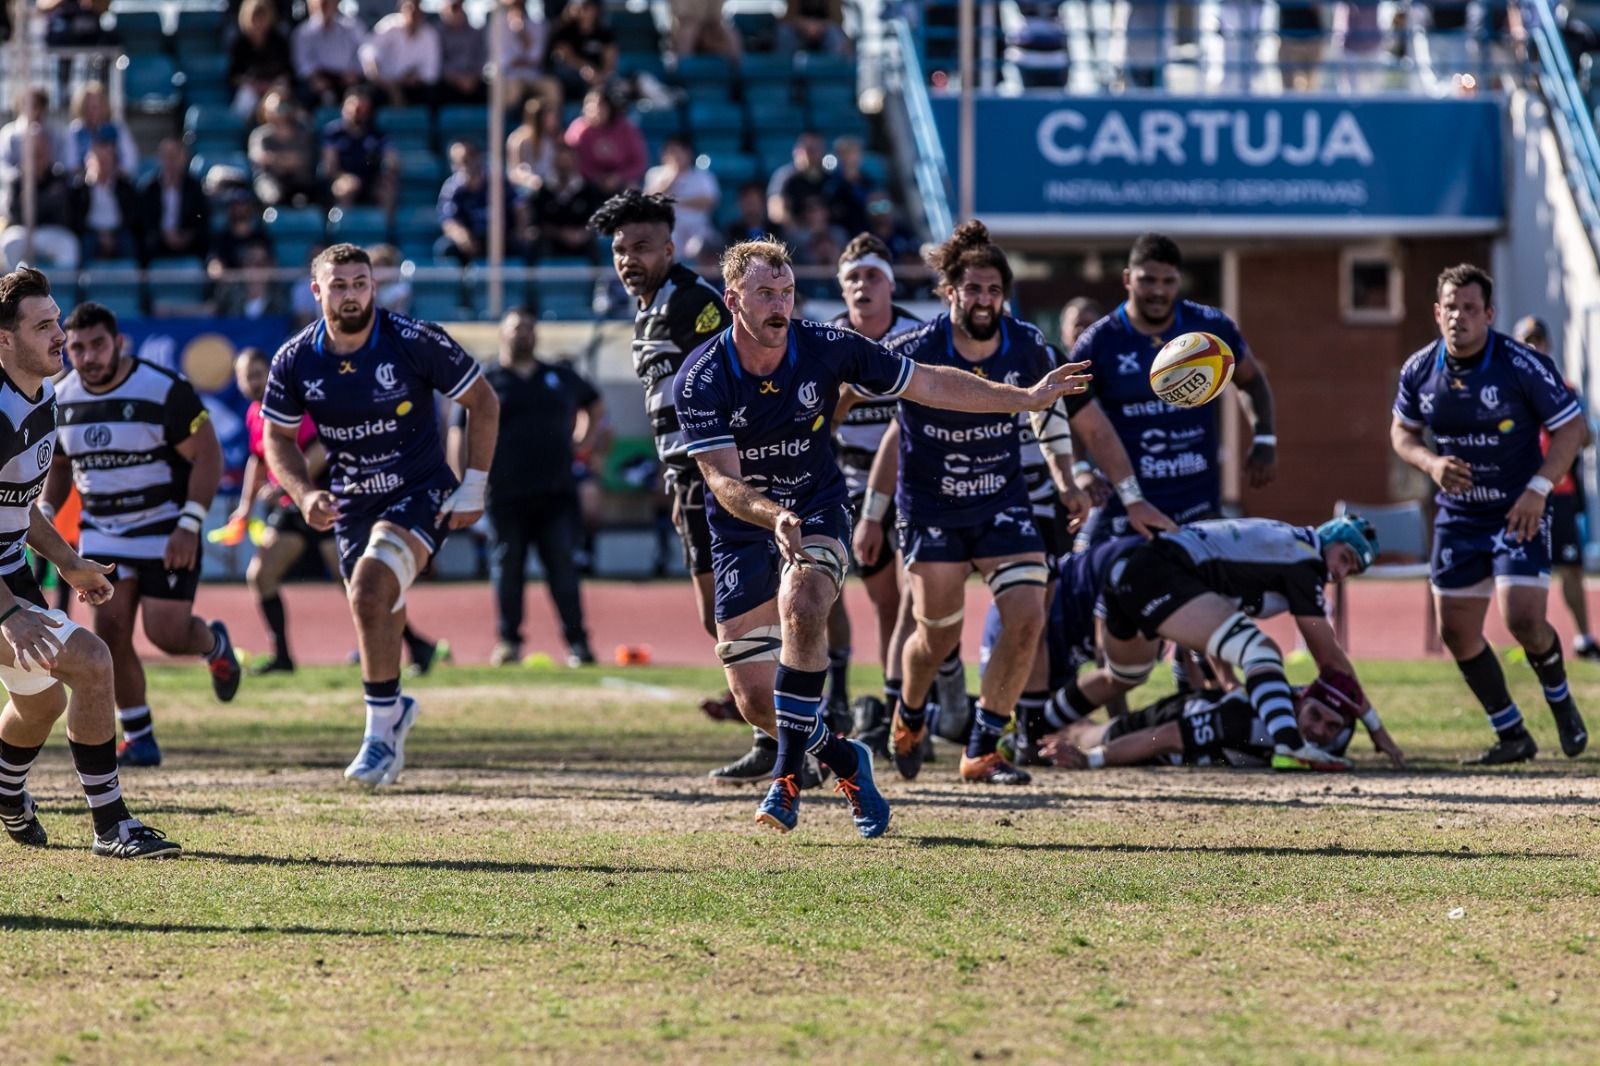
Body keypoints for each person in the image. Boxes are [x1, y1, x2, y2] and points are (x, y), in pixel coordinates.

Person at [672, 237, 1089, 832]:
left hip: (816, 506)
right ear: (733, 298)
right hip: (744, 526)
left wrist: (1021, 398)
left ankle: (786, 779)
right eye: (766, 293)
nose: (780, 306)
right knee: (756, 701)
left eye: (787, 293)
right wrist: (773, 517)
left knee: (805, 599)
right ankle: (845, 756)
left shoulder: (827, 347)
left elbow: (935, 384)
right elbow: (720, 481)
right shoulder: (701, 378)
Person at [871, 221, 1163, 786]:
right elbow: (869, 421)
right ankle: (908, 712)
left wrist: (1097, 487)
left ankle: (983, 748)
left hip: (1002, 503)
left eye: (993, 290)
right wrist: (866, 511)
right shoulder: (913, 350)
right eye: (972, 289)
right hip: (933, 509)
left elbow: (1083, 424)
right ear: (950, 292)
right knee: (937, 637)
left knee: (1027, 615)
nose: (983, 300)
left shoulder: (1027, 345)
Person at [262, 243, 499, 786]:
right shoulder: (295, 358)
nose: (351, 294)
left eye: (360, 283)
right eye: (339, 285)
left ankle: (376, 735)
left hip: (419, 490)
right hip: (350, 500)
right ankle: (394, 716)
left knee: (370, 589)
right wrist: (301, 493)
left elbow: (483, 401)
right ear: (316, 291)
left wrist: (474, 486)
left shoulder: (414, 340)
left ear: (375, 286)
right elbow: (277, 436)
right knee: (376, 606)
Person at [0, 266, 181, 858]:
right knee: (93, 659)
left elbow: (19, 507)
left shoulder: (45, 396)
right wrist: (8, 612)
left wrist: (72, 563)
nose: (60, 335)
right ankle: (112, 827)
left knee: (43, 703)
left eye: (58, 320)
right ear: (4, 339)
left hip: (8, 569)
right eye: (44, 325)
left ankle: (5, 792)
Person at [588, 191, 766, 773]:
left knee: (738, 607)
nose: (628, 259)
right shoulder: (650, 308)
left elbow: (727, 385)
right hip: (689, 477)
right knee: (719, 611)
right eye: (620, 249)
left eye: (641, 247)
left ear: (669, 247)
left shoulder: (692, 303)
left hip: (718, 475)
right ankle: (776, 728)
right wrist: (675, 480)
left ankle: (788, 735)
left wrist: (723, 476)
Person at [1392, 265, 1589, 764]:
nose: (1460, 317)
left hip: (1517, 510)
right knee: (1455, 630)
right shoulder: (1419, 369)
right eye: (1451, 308)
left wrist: (1538, 489)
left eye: (1471, 309)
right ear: (1437, 313)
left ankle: (1561, 699)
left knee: (1522, 616)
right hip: (1458, 517)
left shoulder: (1521, 364)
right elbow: (1402, 433)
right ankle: (1511, 733)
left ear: (1489, 314)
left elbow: (1573, 430)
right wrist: (1431, 463)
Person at [45, 302, 243, 768]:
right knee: (110, 631)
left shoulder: (163, 388)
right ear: (66, 350)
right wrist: (49, 510)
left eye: (98, 344)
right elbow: (59, 464)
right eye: (77, 347)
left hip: (166, 528)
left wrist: (190, 524)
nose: (89, 356)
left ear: (119, 343)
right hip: (102, 533)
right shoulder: (60, 397)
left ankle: (213, 644)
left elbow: (209, 454)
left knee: (167, 633)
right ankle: (140, 735)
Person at [1099, 515, 1385, 771]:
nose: (1340, 573)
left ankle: (1057, 720)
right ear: (1330, 538)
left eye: (1351, 571)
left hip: (1151, 570)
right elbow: (1330, 660)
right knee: (1262, 652)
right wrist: (1375, 726)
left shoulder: (1285, 547)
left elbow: (1217, 608)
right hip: (1159, 570)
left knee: (1124, 677)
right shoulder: (1305, 560)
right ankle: (1290, 745)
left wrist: (1227, 682)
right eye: (1345, 559)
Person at [1073, 233, 1276, 546]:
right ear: (1128, 279)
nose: (1158, 291)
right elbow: (1072, 410)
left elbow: (1251, 379)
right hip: (1127, 499)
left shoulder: (1210, 328)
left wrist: (1264, 436)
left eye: (1168, 281)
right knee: (1087, 582)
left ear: (1179, 281)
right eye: (1148, 280)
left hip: (1196, 499)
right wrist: (1081, 468)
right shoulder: (1099, 341)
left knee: (1204, 590)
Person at [454, 308, 601, 667]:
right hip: (506, 495)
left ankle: (577, 645)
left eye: (529, 328)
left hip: (557, 494)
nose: (524, 333)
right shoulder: (486, 380)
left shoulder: (559, 377)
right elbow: (460, 430)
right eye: (517, 327)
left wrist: (585, 439)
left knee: (563, 570)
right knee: (507, 570)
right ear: (501, 333)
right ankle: (508, 643)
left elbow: (594, 405)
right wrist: (464, 483)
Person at [824, 235, 922, 739]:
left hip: (913, 482)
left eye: (873, 277)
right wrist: (846, 399)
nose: (863, 286)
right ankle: (844, 696)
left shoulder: (916, 336)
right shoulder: (827, 342)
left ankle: (903, 702)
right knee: (850, 590)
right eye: (853, 279)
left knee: (906, 597)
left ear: (891, 283)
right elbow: (816, 428)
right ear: (843, 291)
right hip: (849, 481)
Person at [227, 347, 339, 673]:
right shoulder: (253, 413)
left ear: (270, 374)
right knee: (261, 575)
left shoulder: (293, 404)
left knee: (358, 584)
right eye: (244, 376)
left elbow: (320, 449)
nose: (250, 382)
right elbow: (258, 459)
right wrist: (245, 509)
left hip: (323, 502)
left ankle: (416, 645)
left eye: (256, 374)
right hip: (294, 509)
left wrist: (285, 485)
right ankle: (283, 658)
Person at [1042, 670, 1390, 771]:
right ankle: (1037, 719)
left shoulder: (1340, 735)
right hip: (1176, 720)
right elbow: (1167, 737)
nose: (1319, 732)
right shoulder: (1246, 718)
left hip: (1199, 734)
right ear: (1297, 703)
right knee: (1088, 734)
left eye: (1332, 727)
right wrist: (1093, 759)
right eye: (1315, 716)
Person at [1513, 315, 1600, 661]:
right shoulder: (1509, 391)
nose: (1533, 346)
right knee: (1523, 571)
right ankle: (1532, 639)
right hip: (1519, 496)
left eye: (1538, 339)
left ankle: (1583, 638)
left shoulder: (1565, 390)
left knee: (1571, 568)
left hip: (1558, 494)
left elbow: (1587, 436)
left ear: (1547, 345)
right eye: (1526, 340)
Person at [136, 138, 210, 265]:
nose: (171, 161)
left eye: (175, 156)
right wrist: (164, 235)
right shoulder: (149, 189)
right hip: (157, 245)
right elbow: (143, 222)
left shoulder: (194, 188)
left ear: (184, 158)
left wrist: (187, 235)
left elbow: (201, 217)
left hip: (189, 245)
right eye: (167, 156)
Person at [322, 87, 396, 212]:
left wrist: (389, 168)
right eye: (353, 107)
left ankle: (387, 229)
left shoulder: (377, 134)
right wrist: (344, 177)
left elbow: (392, 159)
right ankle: (343, 228)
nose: (357, 111)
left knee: (388, 191)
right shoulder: (333, 133)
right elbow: (330, 168)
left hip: (371, 180)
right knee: (346, 189)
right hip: (343, 178)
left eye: (362, 108)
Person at [67, 136, 139, 264]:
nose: (103, 164)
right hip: (90, 234)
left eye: (107, 160)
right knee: (84, 244)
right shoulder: (80, 189)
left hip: (119, 233)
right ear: (89, 162)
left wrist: (112, 234)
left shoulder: (125, 188)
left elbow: (132, 217)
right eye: (99, 160)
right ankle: (81, 282)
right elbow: (76, 219)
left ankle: (134, 281)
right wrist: (99, 235)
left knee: (129, 242)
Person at [642, 137, 720, 255]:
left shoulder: (703, 176)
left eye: (680, 151)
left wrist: (674, 201)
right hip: (667, 230)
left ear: (689, 153)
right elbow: (650, 201)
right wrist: (672, 176)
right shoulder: (655, 174)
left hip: (698, 230)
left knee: (705, 246)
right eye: (672, 152)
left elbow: (709, 201)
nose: (677, 156)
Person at [563, 87, 647, 195]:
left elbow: (639, 162)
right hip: (587, 184)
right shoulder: (578, 129)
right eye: (590, 106)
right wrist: (597, 178)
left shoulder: (626, 129)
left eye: (600, 106)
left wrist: (619, 177)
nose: (596, 110)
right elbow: (569, 159)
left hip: (621, 183)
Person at [359, 0, 441, 108]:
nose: (413, 12)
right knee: (368, 95)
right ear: (401, 9)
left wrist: (415, 78)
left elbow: (431, 74)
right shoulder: (389, 25)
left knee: (432, 95)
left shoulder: (430, 34)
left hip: (412, 87)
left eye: (417, 8)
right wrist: (379, 78)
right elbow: (368, 51)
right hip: (384, 84)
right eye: (409, 8)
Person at [248, 88, 321, 208]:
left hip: (300, 180)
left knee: (305, 199)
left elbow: (304, 160)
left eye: (282, 106)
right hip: (270, 179)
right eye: (273, 108)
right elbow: (260, 157)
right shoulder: (260, 135)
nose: (278, 112)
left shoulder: (303, 133)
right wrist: (288, 160)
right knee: (272, 196)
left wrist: (275, 159)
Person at [291, 0, 368, 109]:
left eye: (328, 3)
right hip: (319, 80)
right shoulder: (303, 32)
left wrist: (354, 73)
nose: (325, 6)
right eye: (321, 3)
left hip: (348, 79)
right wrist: (315, 79)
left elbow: (363, 53)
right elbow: (302, 63)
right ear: (310, 5)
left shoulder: (352, 27)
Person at [228, 0, 294, 119]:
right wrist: (253, 84)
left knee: (280, 98)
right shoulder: (240, 44)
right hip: (250, 88)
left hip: (274, 87)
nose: (258, 23)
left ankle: (279, 131)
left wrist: (270, 85)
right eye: (254, 18)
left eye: (262, 18)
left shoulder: (279, 41)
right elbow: (234, 76)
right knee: (245, 98)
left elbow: (287, 73)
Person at [547, 0, 618, 103]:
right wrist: (586, 70)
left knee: (614, 85)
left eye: (588, 7)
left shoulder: (604, 33)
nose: (584, 11)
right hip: (574, 75)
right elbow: (566, 57)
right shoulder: (565, 30)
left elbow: (610, 62)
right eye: (581, 7)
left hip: (598, 76)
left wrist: (601, 75)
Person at [435, 0, 488, 105]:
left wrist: (473, 78)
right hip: (448, 82)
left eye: (459, 7)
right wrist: (457, 79)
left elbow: (481, 59)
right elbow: (436, 63)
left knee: (490, 92)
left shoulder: (475, 33)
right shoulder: (436, 33)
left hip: (473, 81)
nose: (457, 11)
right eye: (454, 8)